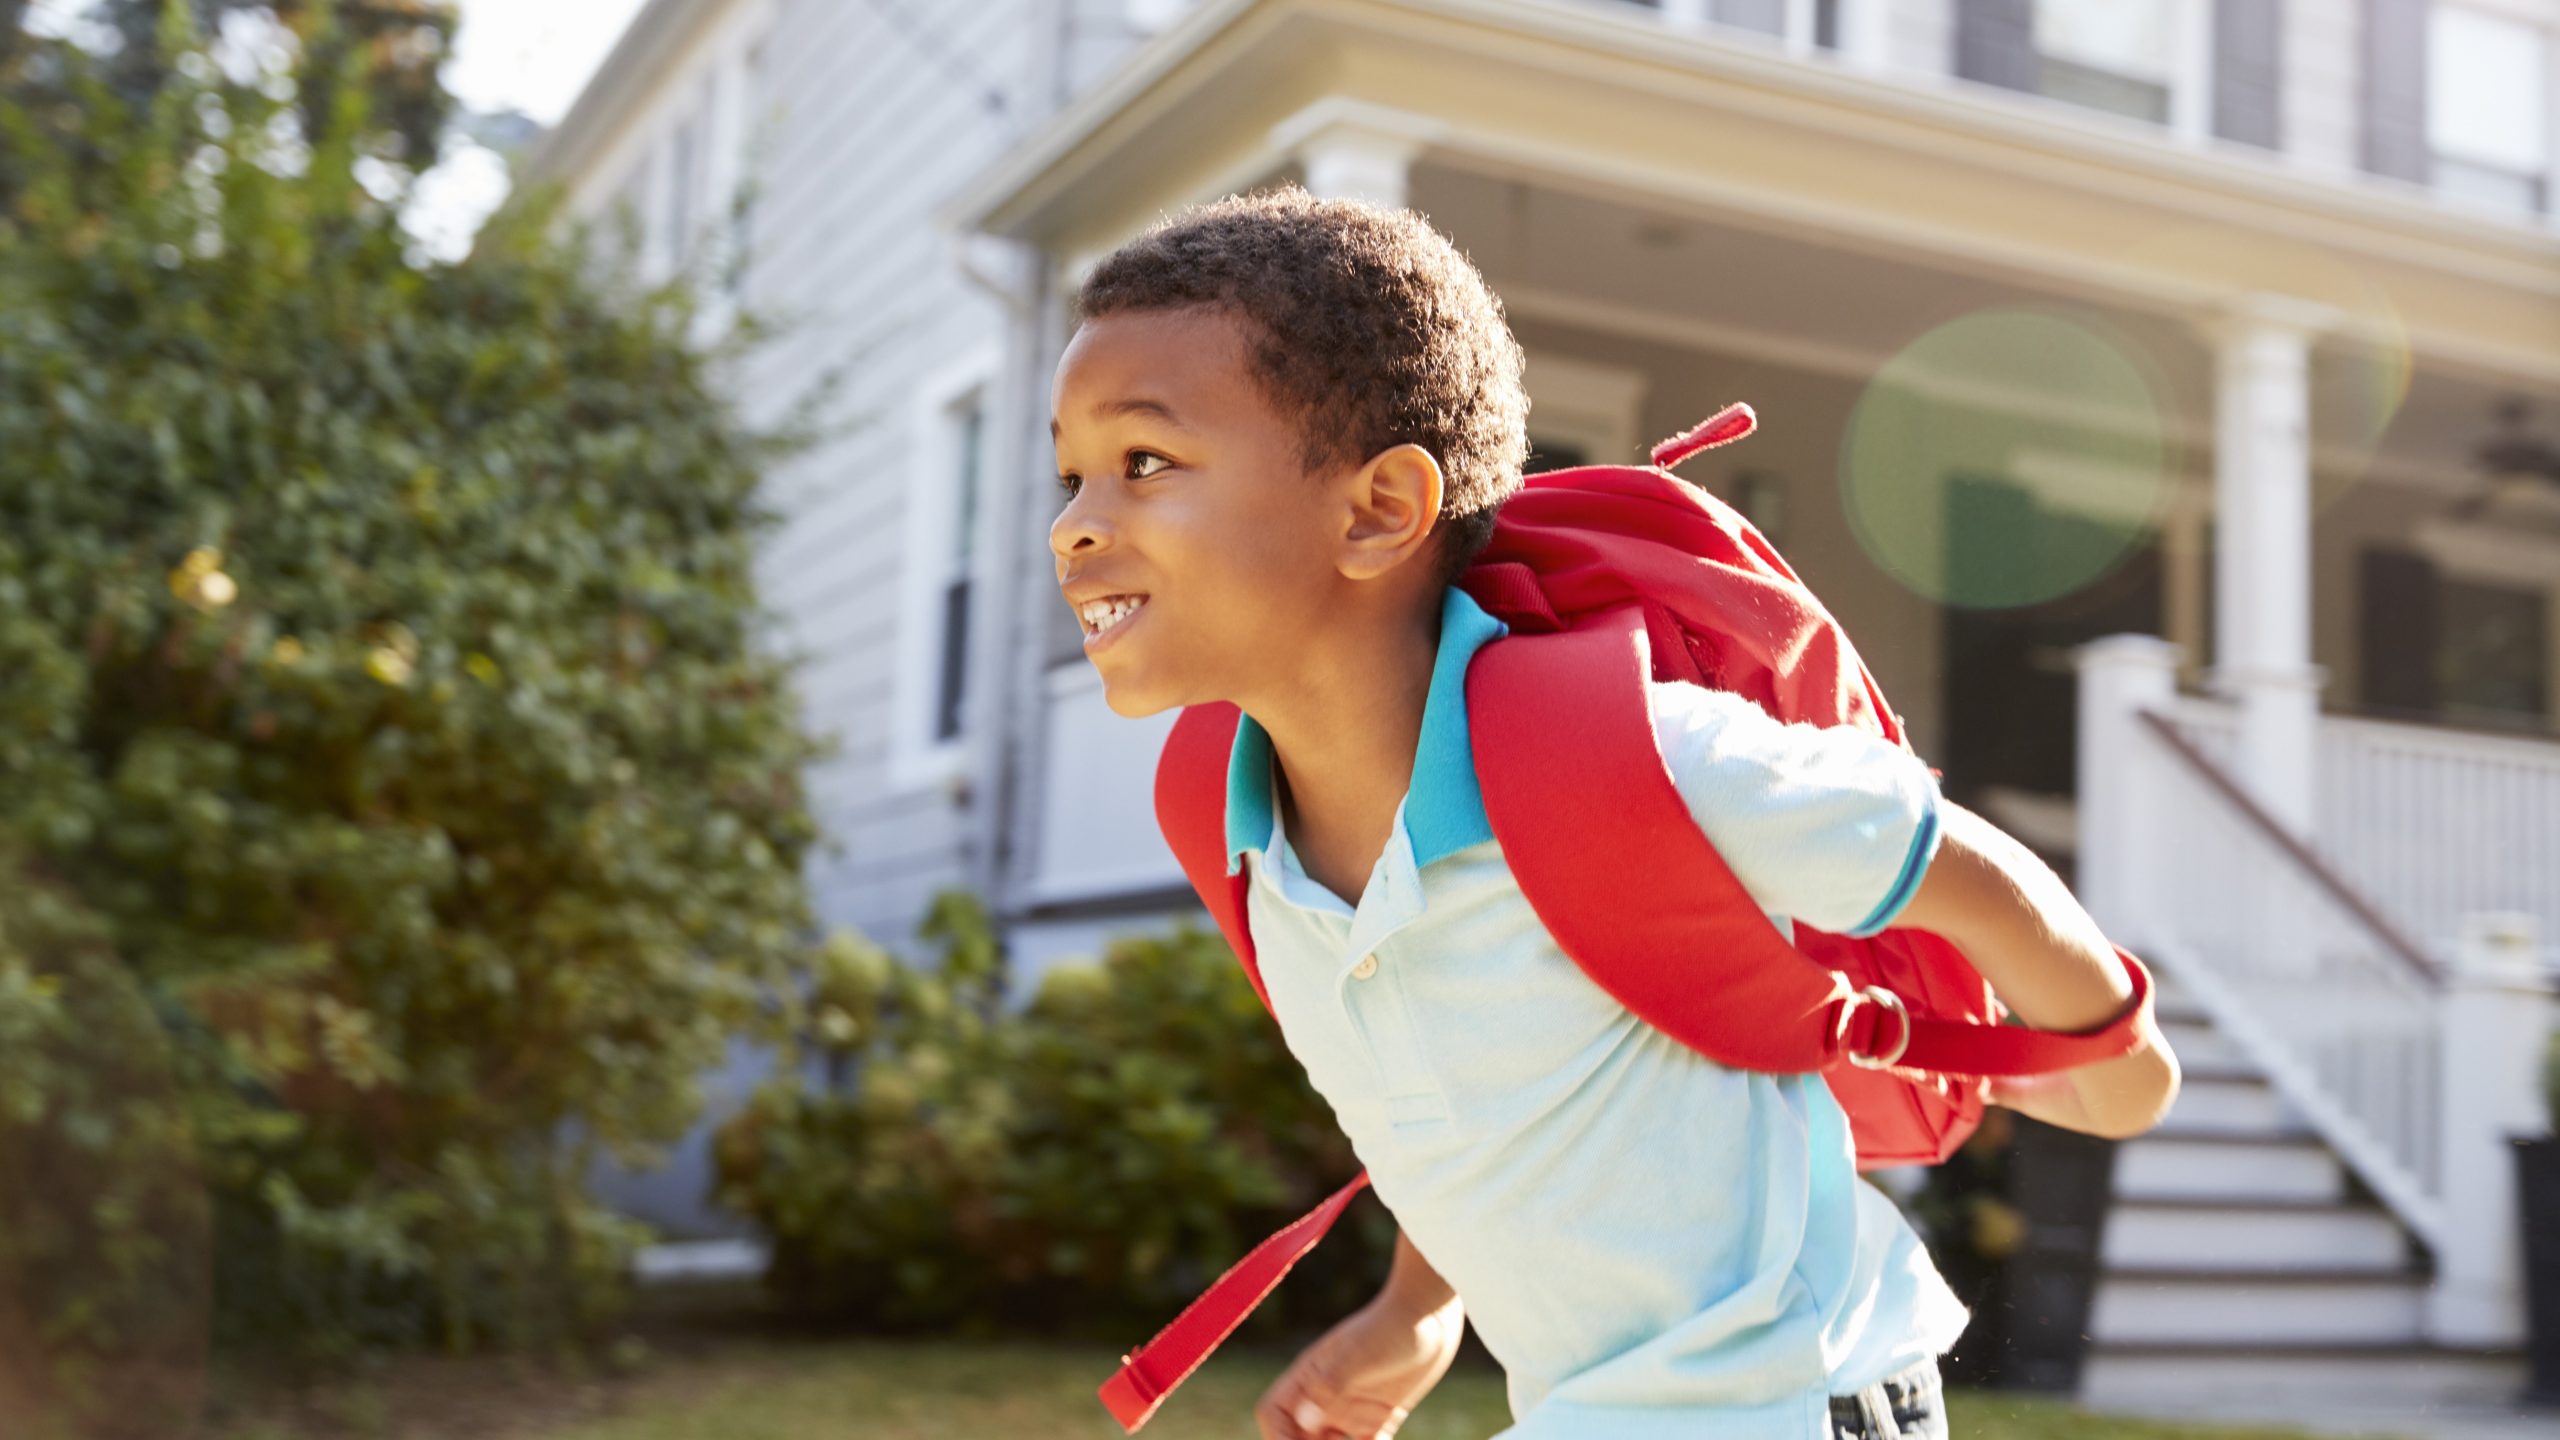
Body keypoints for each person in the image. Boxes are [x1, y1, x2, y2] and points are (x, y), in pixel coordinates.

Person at [1047, 183, 2179, 1440]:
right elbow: (1469, 1085)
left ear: (1377, 510)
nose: (1074, 527)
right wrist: (1417, 1308)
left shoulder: (1626, 758)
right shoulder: (1237, 824)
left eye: (1144, 463)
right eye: (1073, 474)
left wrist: (2101, 1053)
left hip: (1797, 1407)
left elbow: (1942, 853)